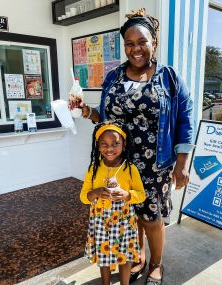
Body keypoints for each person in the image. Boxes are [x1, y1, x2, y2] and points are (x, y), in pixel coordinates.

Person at [81, 8, 194, 284]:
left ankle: (156, 263)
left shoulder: (168, 78)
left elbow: (185, 119)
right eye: (129, 44)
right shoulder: (114, 77)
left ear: (154, 42)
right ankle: (137, 257)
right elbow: (106, 118)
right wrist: (87, 111)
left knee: (151, 216)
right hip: (120, 164)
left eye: (142, 42)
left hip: (156, 163)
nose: (136, 49)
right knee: (130, 215)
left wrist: (181, 165)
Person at [80, 121, 146, 285]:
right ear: (98, 146)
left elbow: (141, 195)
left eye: (115, 144)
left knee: (125, 255)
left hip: (124, 221)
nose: (110, 149)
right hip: (101, 220)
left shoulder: (130, 169)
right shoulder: (93, 168)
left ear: (123, 144)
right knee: (105, 256)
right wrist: (95, 193)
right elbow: (83, 197)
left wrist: (126, 194)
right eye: (104, 144)